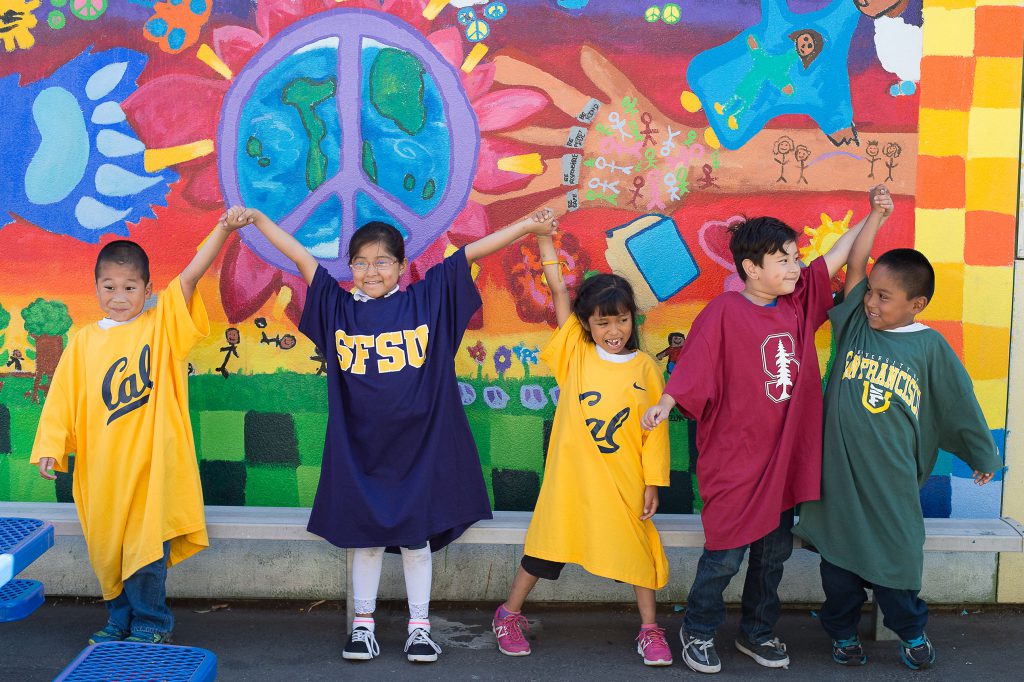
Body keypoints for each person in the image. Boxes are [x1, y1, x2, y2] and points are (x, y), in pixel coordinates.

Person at [224, 205, 558, 664]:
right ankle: (364, 628)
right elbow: (302, 260)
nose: (370, 270)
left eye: (382, 261)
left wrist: (526, 225)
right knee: (367, 541)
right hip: (360, 452)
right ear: (349, 268)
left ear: (402, 267)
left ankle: (419, 629)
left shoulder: (427, 299)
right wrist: (260, 220)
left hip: (419, 450)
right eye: (360, 262)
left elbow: (469, 254)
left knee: (416, 542)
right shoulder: (337, 306)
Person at [642, 187, 892, 673]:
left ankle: (757, 632)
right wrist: (666, 401)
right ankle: (697, 630)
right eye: (782, 260)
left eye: (794, 257)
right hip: (736, 462)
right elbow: (693, 368)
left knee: (773, 556)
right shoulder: (723, 313)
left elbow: (838, 255)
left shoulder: (797, 305)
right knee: (724, 558)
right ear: (751, 268)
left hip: (783, 461)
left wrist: (875, 215)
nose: (794, 267)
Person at [792, 200, 1001, 670]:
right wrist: (877, 218)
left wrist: (981, 454)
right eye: (870, 292)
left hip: (892, 488)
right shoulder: (854, 327)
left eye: (884, 296)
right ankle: (843, 636)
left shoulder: (929, 348)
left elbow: (959, 404)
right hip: (840, 485)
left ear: (916, 304)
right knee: (839, 575)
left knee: (898, 572)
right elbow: (855, 263)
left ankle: (910, 632)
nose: (871, 300)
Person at [30, 221, 238, 644]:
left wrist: (221, 228)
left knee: (146, 550)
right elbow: (61, 400)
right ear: (95, 289)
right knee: (107, 549)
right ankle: (119, 619)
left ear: (148, 290)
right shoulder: (84, 342)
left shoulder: (160, 327)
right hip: (102, 469)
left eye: (129, 288)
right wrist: (51, 446)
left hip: (150, 467)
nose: (118, 298)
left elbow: (192, 275)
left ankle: (151, 622)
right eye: (108, 287)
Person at [491, 232, 672, 667]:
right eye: (602, 322)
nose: (614, 330)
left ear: (634, 320)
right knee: (546, 548)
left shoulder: (647, 368)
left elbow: (655, 431)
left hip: (624, 480)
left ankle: (650, 629)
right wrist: (544, 241)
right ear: (587, 324)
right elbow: (557, 290)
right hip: (570, 482)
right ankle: (508, 614)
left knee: (637, 550)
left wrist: (653, 481)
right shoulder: (576, 353)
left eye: (622, 320)